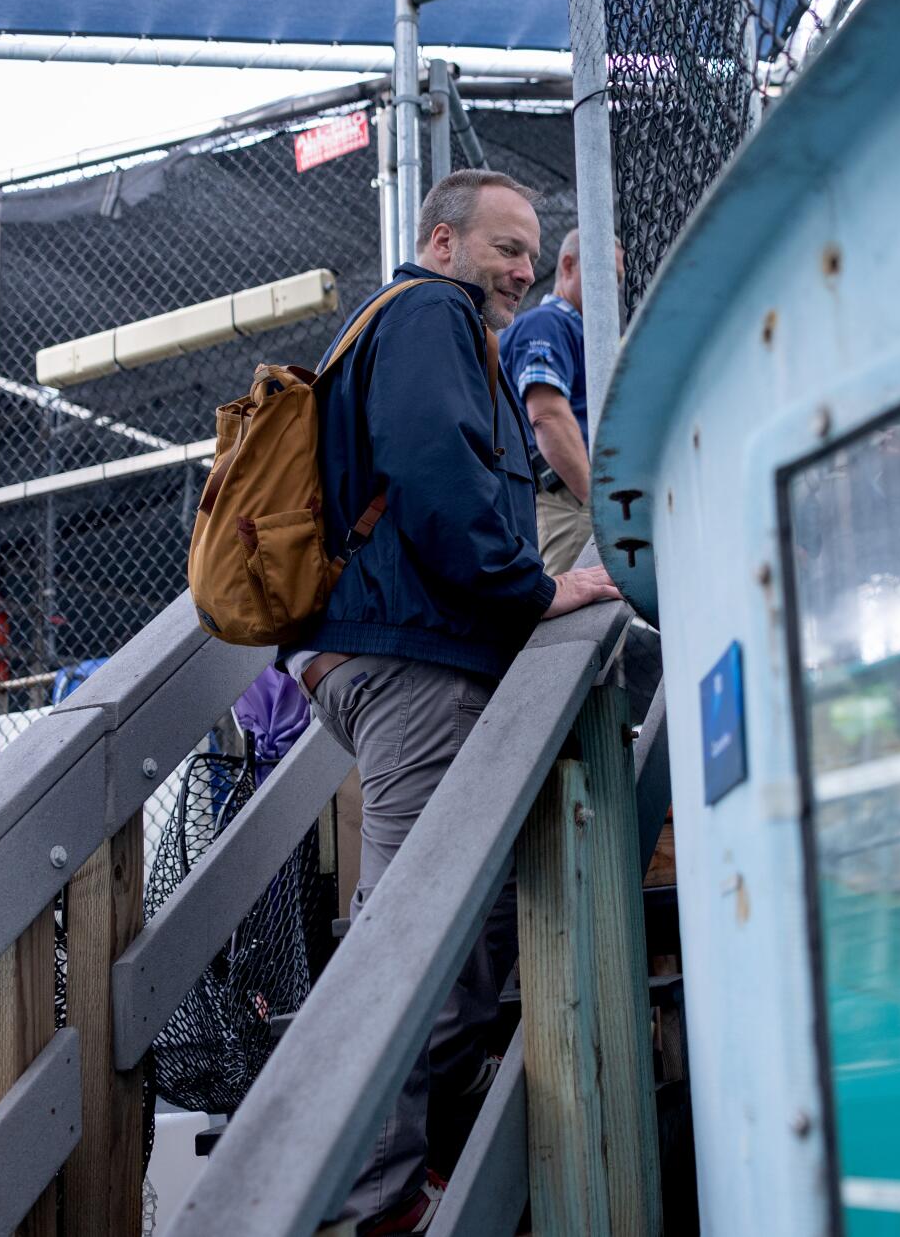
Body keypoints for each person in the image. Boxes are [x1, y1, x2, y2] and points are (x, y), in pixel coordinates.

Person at [285, 168, 620, 1234]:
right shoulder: (430, 310)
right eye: (506, 247)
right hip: (414, 657)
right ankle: (362, 1203)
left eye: (531, 252)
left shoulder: (405, 323)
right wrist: (529, 582)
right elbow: (432, 460)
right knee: (417, 935)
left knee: (450, 931)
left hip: (383, 654)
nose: (523, 268)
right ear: (440, 240)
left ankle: (394, 1171)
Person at [499, 228, 623, 575]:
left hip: (572, 498)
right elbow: (547, 417)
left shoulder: (579, 332)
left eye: (618, 280)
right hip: (566, 500)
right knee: (572, 620)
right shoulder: (547, 323)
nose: (613, 290)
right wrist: (596, 504)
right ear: (567, 266)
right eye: (605, 275)